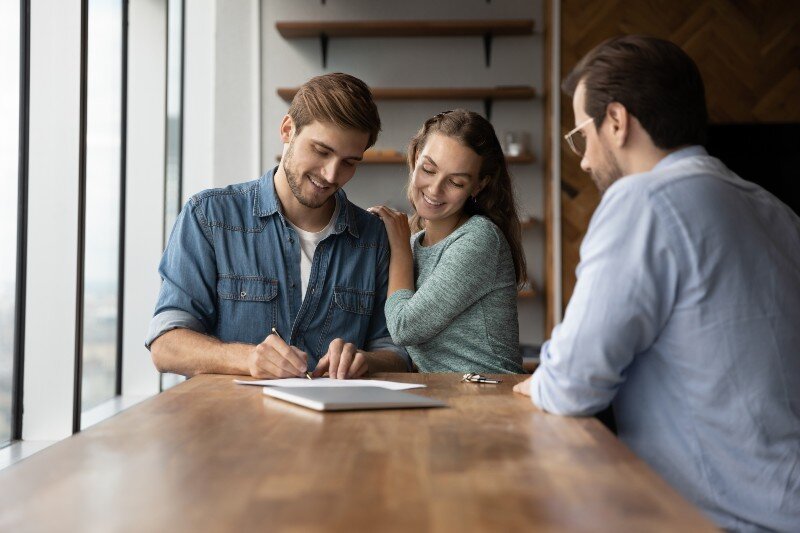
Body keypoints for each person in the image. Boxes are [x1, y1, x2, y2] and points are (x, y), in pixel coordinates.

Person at [514, 35, 800, 531]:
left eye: (582, 133)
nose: (582, 159)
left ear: (617, 121)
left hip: (721, 516)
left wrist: (538, 381)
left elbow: (571, 385)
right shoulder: (774, 209)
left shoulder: (642, 201)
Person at [147, 73, 410, 380]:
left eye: (349, 162)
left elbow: (396, 353)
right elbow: (165, 345)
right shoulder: (209, 217)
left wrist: (366, 360)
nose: (331, 174)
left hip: (339, 425)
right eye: (321, 151)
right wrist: (247, 359)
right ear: (288, 130)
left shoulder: (373, 238)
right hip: (234, 422)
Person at [370, 109, 525, 374]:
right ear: (417, 157)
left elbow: (404, 327)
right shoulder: (415, 244)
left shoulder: (480, 239)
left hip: (492, 401)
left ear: (477, 186)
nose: (434, 189)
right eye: (429, 169)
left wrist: (399, 248)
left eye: (455, 182)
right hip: (443, 397)